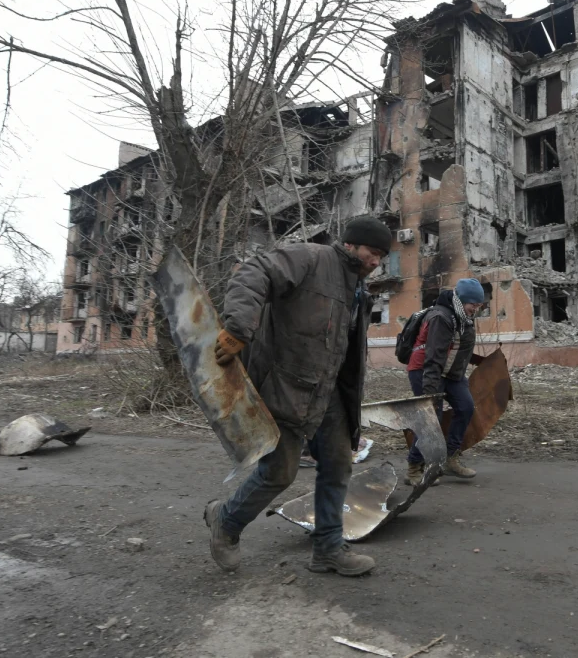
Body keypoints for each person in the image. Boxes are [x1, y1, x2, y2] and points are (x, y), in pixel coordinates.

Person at [203, 215, 392, 577]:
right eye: (372, 252)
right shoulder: (310, 258)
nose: (376, 261)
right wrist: (239, 327)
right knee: (279, 472)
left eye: (381, 256)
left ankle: (328, 550)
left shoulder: (357, 289)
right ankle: (225, 522)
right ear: (350, 244)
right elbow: (254, 271)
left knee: (338, 465)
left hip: (329, 393)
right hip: (285, 387)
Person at [404, 278, 485, 486]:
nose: (476, 309)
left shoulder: (463, 316)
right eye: (473, 304)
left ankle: (449, 458)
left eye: (479, 305)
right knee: (431, 418)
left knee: (466, 407)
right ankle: (414, 467)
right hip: (425, 371)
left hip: (449, 372)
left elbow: (460, 349)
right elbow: (434, 357)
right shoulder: (441, 317)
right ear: (462, 299)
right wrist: (430, 394)